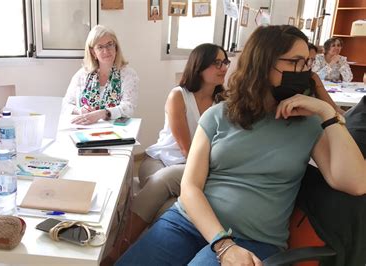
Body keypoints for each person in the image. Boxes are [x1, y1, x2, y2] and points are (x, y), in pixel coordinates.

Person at [117, 25, 366, 265]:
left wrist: (327, 113)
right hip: (189, 223)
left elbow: (357, 183)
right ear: (263, 63)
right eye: (295, 62)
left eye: (307, 63)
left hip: (254, 240)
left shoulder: (308, 125)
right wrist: (222, 243)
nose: (304, 72)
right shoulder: (217, 115)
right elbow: (190, 187)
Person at [103, 43, 229, 263]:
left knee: (168, 207)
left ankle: (139, 251)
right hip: (160, 161)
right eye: (216, 63)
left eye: (225, 62)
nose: (224, 67)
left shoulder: (224, 103)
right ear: (199, 66)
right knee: (160, 182)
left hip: (193, 168)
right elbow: (186, 148)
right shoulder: (178, 96)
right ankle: (120, 247)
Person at [63, 25, 139, 125]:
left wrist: (102, 114)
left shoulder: (128, 75)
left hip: (116, 131)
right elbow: (65, 105)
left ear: (116, 47)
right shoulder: (82, 75)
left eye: (109, 45)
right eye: (100, 47)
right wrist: (80, 110)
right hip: (85, 130)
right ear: (93, 52)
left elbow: (129, 107)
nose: (106, 51)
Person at [308, 43, 345, 115]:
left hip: (335, 90)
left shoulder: (342, 59)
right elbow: (319, 76)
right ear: (327, 47)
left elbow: (348, 78)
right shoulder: (319, 58)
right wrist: (331, 63)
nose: (336, 48)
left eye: (339, 45)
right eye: (333, 45)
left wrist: (342, 65)